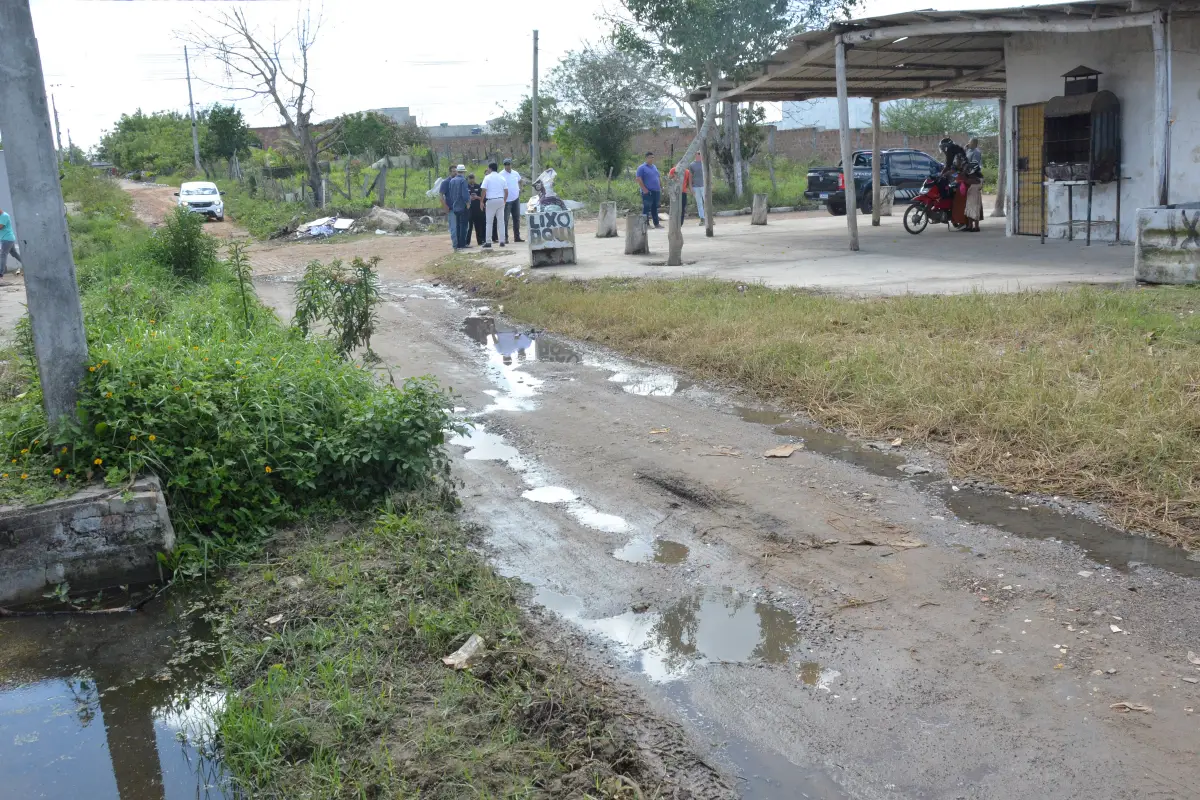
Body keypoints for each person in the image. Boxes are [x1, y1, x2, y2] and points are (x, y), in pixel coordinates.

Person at [480, 162, 509, 248]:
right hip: (500, 199)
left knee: (489, 222)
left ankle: (488, 241)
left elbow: (484, 190)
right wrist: (504, 200)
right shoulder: (502, 177)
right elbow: (506, 192)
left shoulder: (487, 177)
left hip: (491, 200)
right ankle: (502, 241)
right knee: (501, 221)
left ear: (490, 168)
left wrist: (481, 201)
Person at [445, 165, 471, 250]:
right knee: (464, 225)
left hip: (455, 206)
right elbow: (465, 194)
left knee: (458, 226)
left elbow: (451, 194)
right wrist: (467, 203)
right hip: (462, 206)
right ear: (463, 172)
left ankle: (458, 245)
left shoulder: (452, 181)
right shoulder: (463, 180)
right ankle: (462, 244)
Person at [636, 152, 662, 229]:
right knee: (646, 208)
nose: (652, 159)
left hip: (656, 191)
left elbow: (658, 177)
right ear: (646, 158)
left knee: (655, 208)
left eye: (653, 157)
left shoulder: (654, 167)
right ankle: (645, 224)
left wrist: (661, 187)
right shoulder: (641, 168)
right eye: (650, 157)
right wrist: (644, 189)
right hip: (648, 191)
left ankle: (656, 223)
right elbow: (638, 179)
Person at [501, 158, 524, 243]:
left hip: (516, 198)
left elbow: (520, 181)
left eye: (509, 164)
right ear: (504, 165)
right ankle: (505, 238)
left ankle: (517, 237)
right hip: (506, 200)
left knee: (517, 218)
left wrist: (521, 189)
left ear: (511, 164)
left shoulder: (515, 173)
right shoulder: (501, 174)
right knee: (505, 219)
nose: (507, 166)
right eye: (506, 164)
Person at [439, 164, 459, 249]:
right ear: (450, 172)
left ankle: (461, 244)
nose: (455, 173)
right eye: (454, 171)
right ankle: (455, 246)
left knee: (462, 227)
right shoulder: (446, 182)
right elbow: (440, 195)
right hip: (451, 208)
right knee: (453, 228)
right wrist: (445, 206)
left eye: (456, 171)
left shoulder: (460, 181)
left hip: (460, 208)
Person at [0, 207, 21, 278]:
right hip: (7, 239)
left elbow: (0, 226)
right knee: (14, 253)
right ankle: (27, 264)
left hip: (7, 239)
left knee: (3, 255)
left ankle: (1, 273)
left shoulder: (4, 216)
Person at [467, 172, 486, 246]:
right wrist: (470, 198)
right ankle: (467, 242)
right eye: (470, 178)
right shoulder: (465, 187)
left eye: (473, 178)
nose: (471, 180)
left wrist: (477, 197)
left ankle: (481, 241)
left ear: (475, 178)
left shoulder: (478, 186)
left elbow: (483, 198)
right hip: (469, 209)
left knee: (479, 226)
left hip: (478, 209)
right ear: (468, 179)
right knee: (469, 227)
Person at [689, 155, 705, 226]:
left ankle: (710, 218)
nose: (699, 155)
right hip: (696, 186)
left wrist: (710, 184)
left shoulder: (704, 163)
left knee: (707, 202)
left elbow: (709, 172)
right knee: (699, 203)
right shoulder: (692, 165)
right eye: (698, 153)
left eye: (700, 153)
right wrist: (690, 187)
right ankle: (702, 219)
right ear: (696, 155)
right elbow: (690, 176)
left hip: (704, 186)